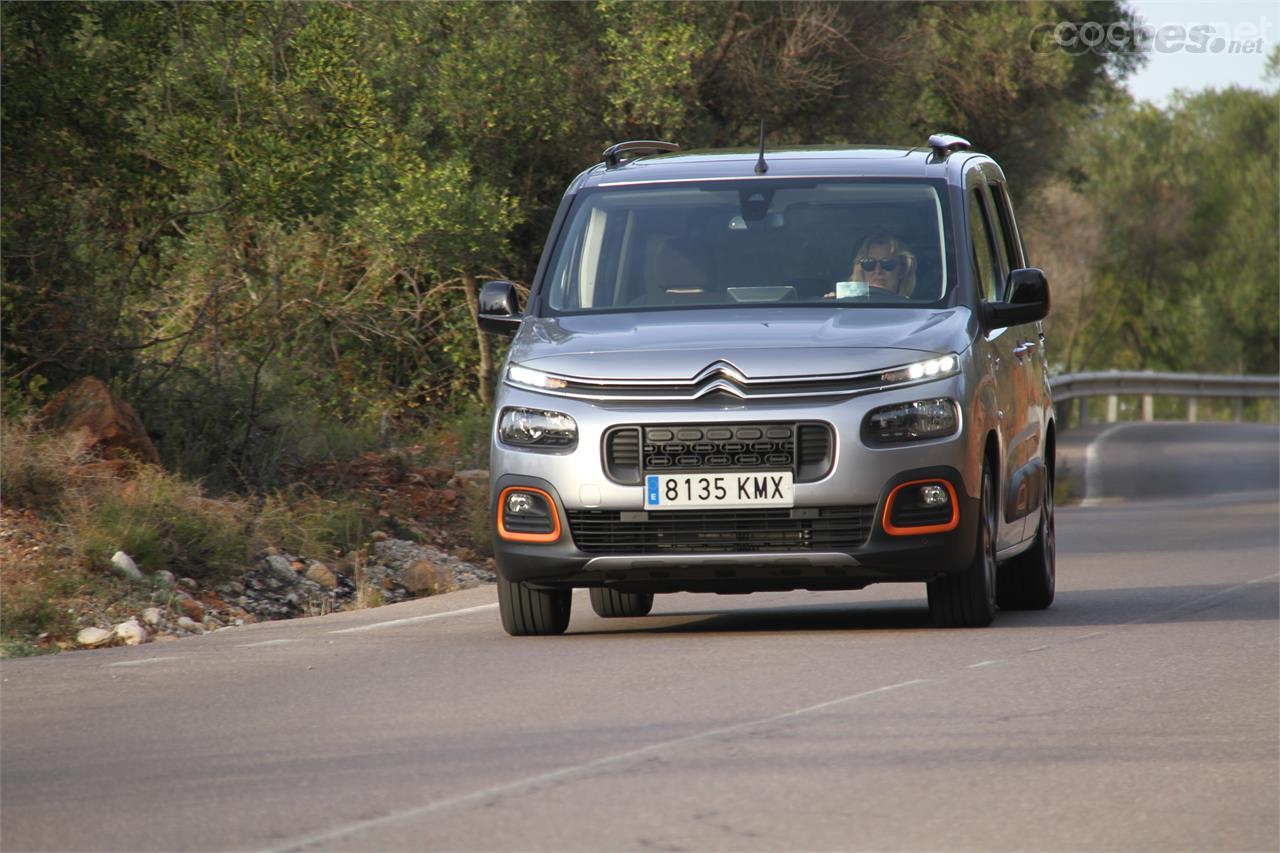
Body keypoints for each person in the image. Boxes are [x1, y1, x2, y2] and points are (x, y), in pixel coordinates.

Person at [826, 233, 917, 299]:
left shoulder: (917, 311)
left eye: (887, 263)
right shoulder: (846, 305)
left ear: (902, 270)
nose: (878, 271)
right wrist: (832, 305)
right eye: (869, 263)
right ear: (861, 269)